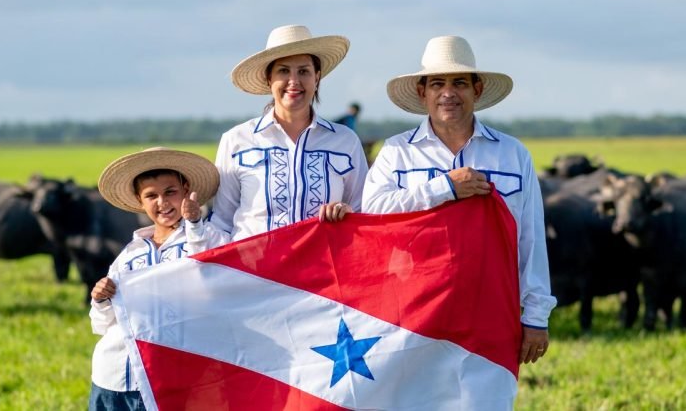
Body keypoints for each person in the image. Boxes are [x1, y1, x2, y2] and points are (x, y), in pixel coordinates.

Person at [362, 36, 557, 371]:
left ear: (477, 90)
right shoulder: (396, 153)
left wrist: (536, 317)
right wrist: (443, 188)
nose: (448, 93)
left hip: (490, 310)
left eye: (459, 83)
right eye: (437, 83)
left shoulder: (512, 154)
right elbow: (373, 214)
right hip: (411, 310)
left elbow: (530, 240)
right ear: (423, 93)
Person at [187, 24, 368, 247]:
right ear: (268, 78)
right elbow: (222, 222)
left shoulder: (345, 141)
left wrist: (347, 212)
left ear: (317, 77)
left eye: (304, 71)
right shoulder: (236, 140)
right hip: (252, 275)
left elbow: (364, 214)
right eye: (283, 71)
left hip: (323, 275)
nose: (294, 81)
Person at [87, 147, 219, 411]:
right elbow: (101, 325)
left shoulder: (209, 237)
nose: (162, 202)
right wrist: (100, 299)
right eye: (151, 195)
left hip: (173, 378)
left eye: (170, 192)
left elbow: (210, 276)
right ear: (140, 201)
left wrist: (194, 225)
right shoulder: (129, 254)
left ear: (186, 190)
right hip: (113, 376)